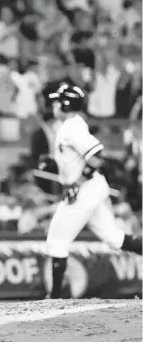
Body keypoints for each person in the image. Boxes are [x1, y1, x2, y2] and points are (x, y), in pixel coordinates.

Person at [45, 84, 142, 299]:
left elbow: (97, 155)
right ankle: (55, 296)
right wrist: (54, 165)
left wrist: (77, 182)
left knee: (57, 240)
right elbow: (76, 159)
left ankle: (55, 298)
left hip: (85, 190)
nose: (54, 104)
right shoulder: (69, 126)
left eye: (58, 101)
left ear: (67, 104)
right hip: (93, 188)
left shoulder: (73, 127)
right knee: (114, 238)